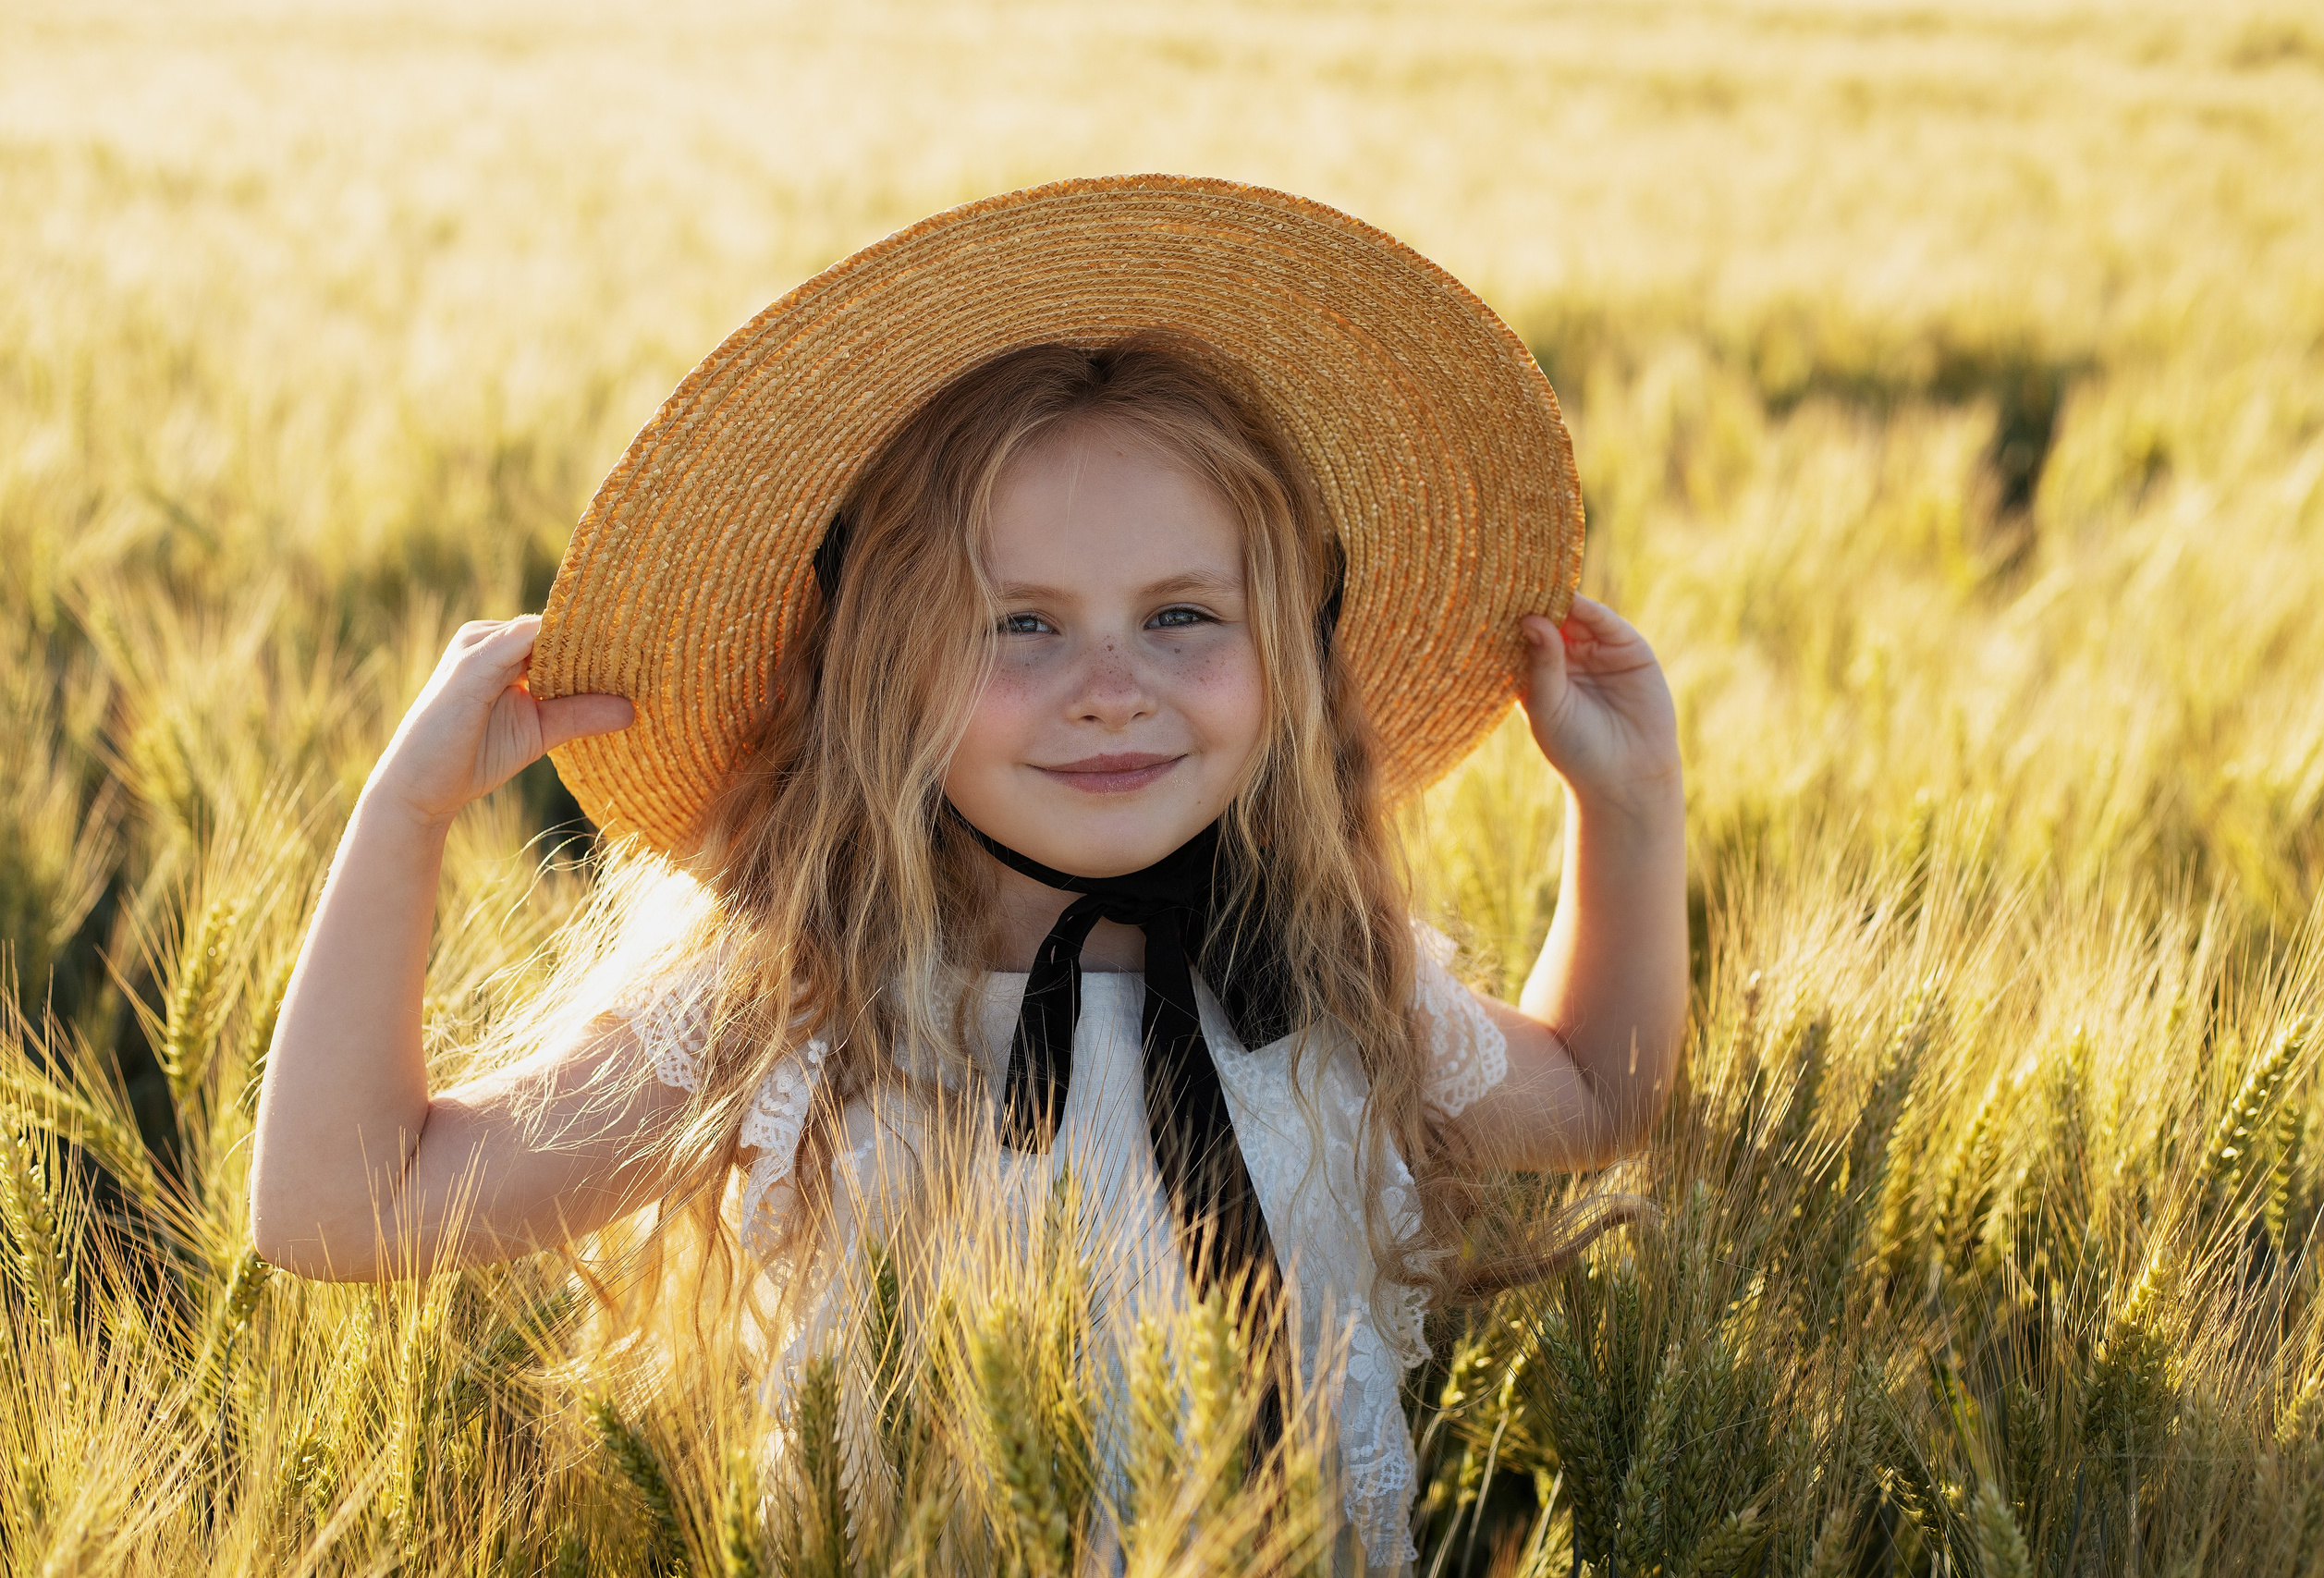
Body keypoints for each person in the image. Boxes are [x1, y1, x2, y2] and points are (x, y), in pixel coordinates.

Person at [248, 176, 1686, 1569]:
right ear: (883, 669)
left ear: (1295, 660)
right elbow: (333, 1207)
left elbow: (1600, 1096)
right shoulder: (792, 999)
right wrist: (407, 810)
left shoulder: (1317, 981)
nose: (1111, 689)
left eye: (1184, 613)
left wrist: (1625, 805)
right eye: (1021, 628)